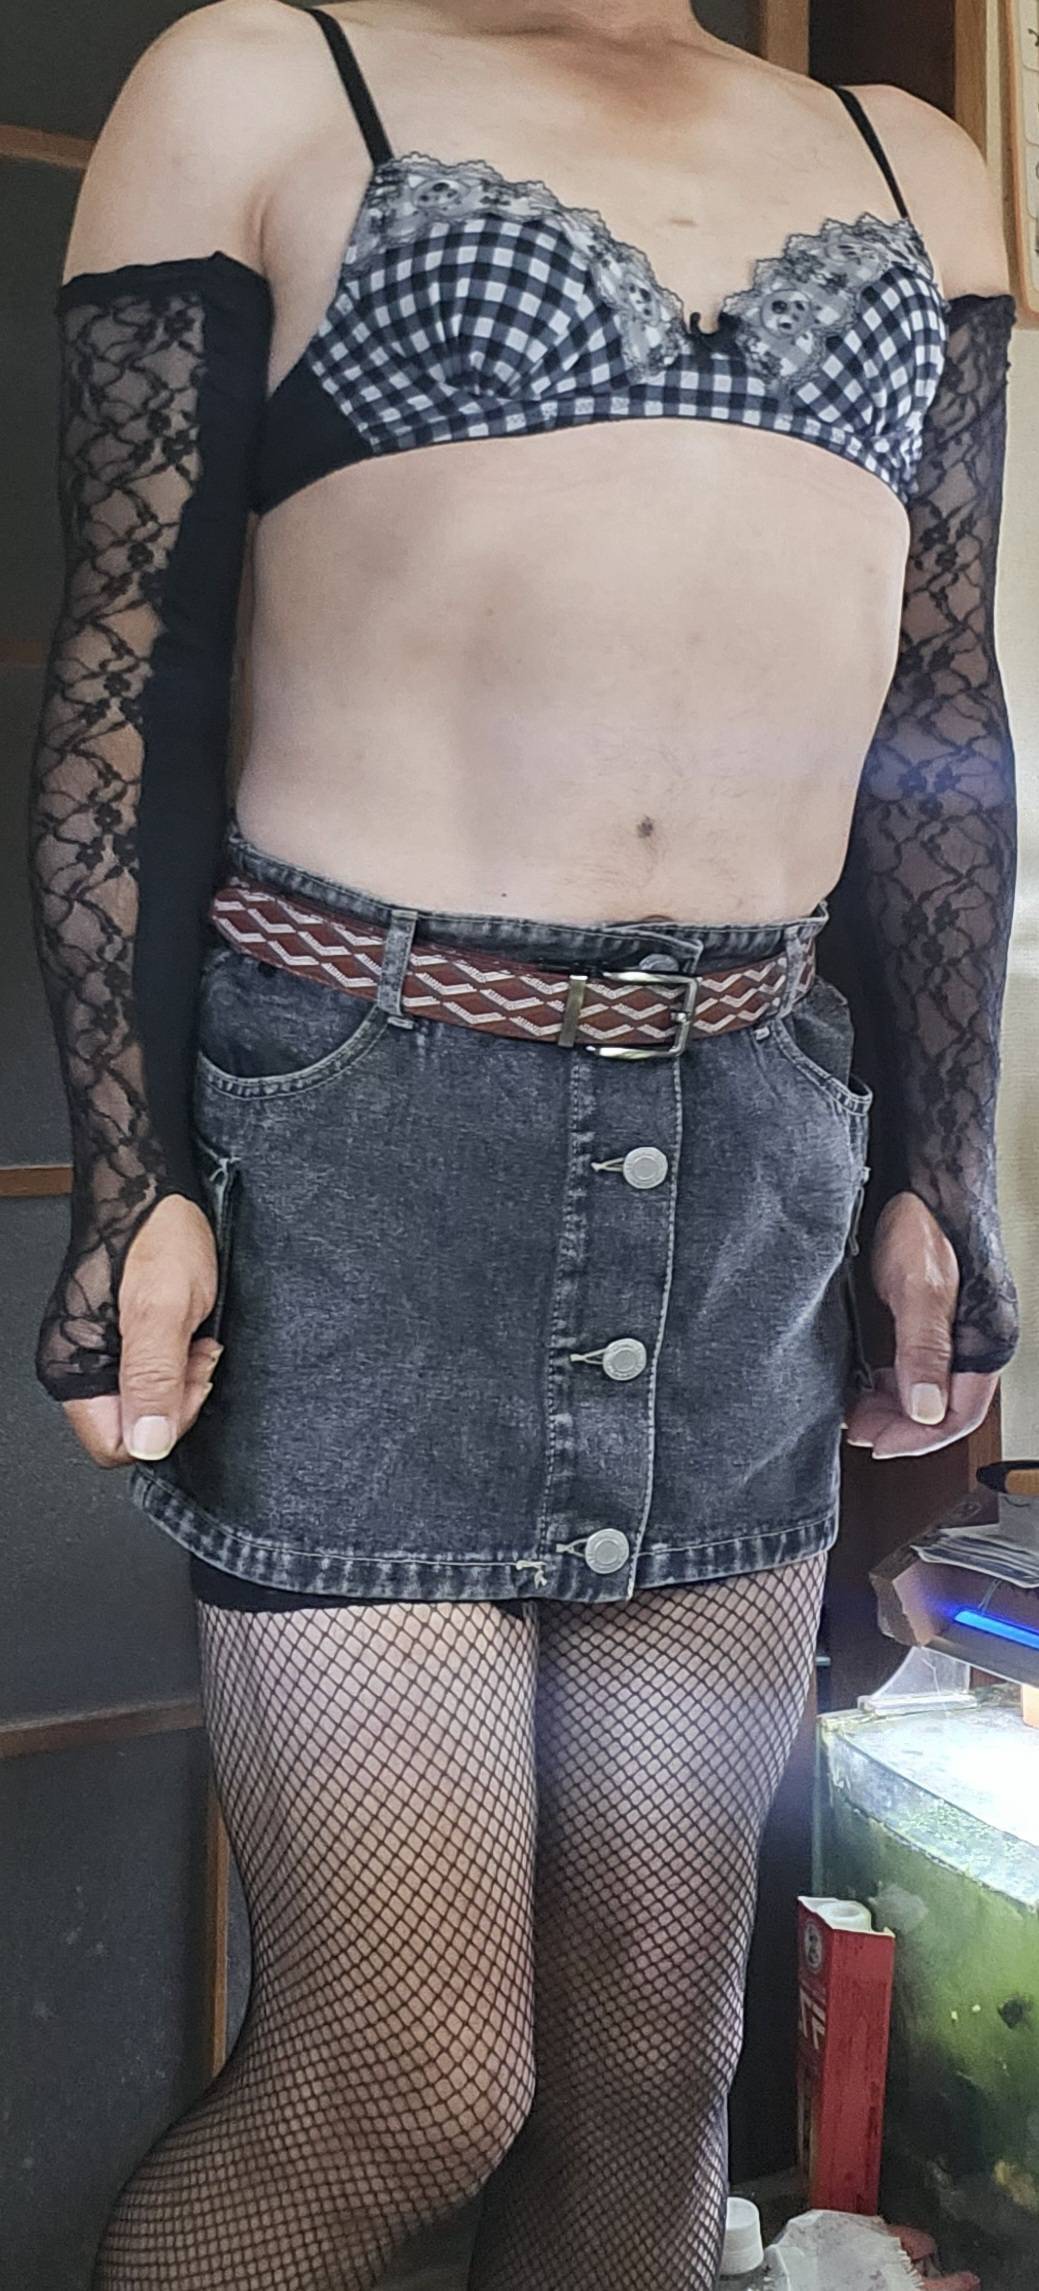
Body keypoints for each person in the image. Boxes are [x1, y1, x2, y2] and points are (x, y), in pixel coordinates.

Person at [27, 0, 1020, 2284]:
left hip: (754, 1141)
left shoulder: (910, 160)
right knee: (408, 2081)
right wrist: (126, 1179)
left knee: (658, 2075)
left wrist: (940, 1167)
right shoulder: (265, 79)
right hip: (372, 1140)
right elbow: (126, 681)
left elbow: (941, 709)